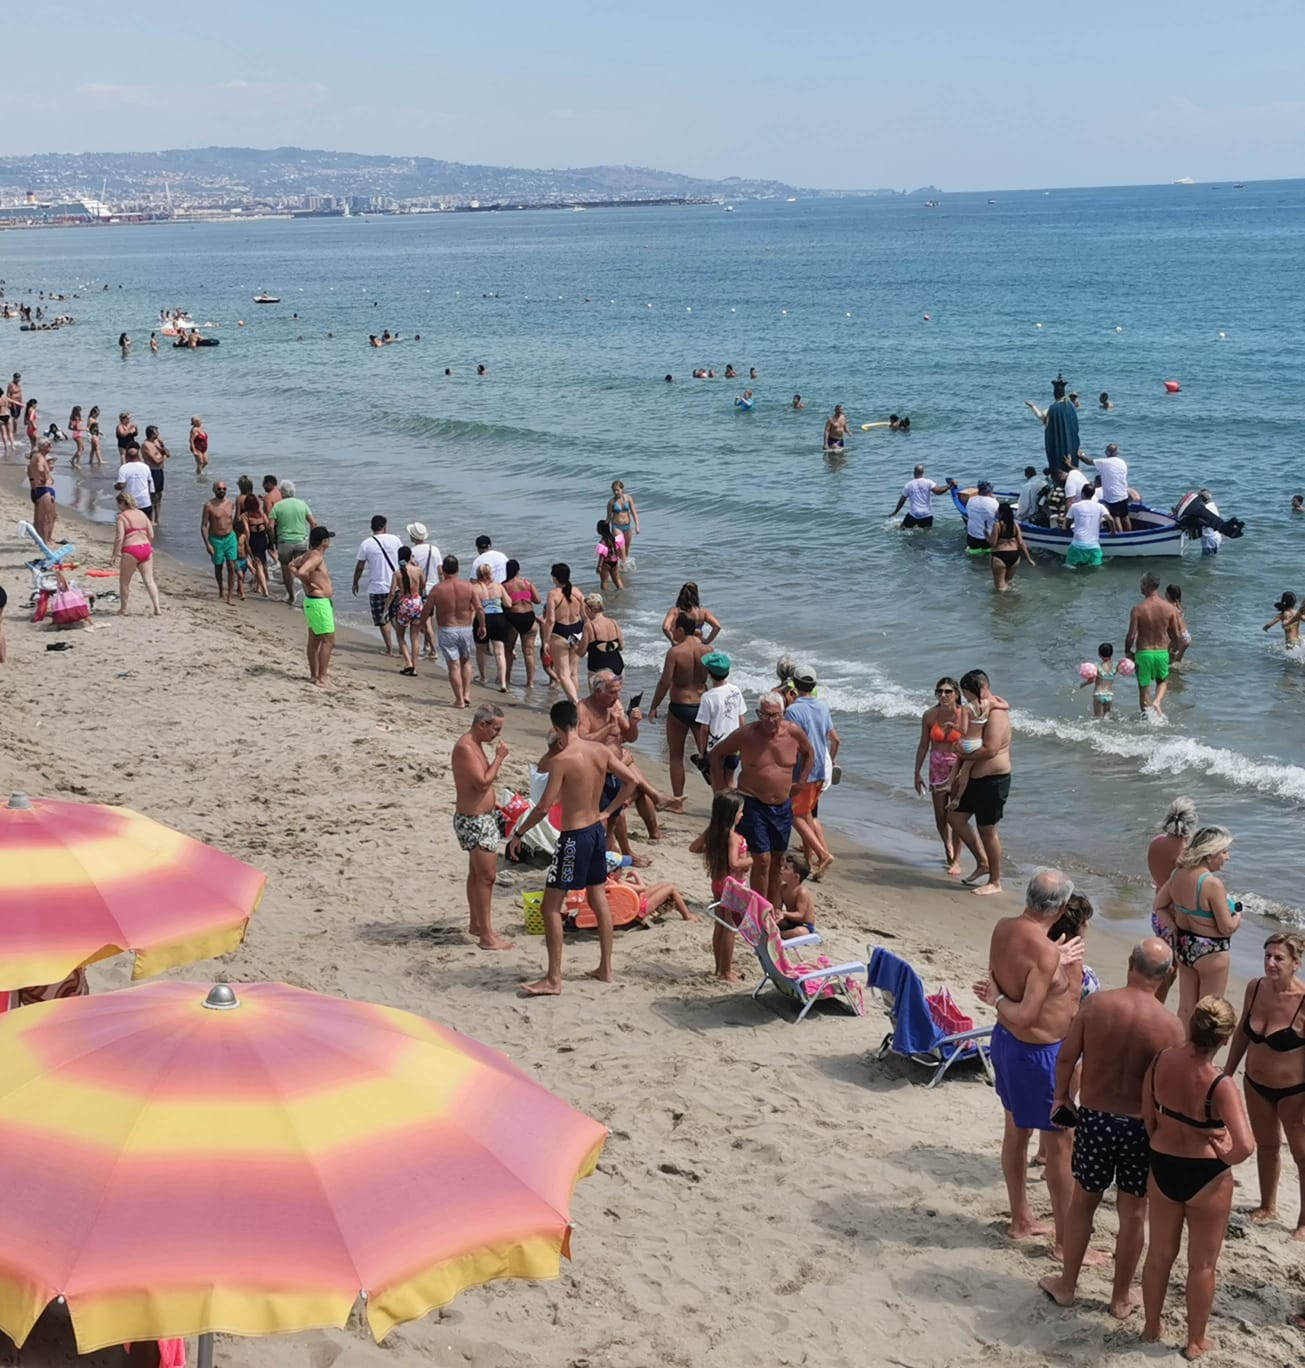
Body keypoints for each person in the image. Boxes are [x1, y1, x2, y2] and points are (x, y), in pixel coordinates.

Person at [1037, 939, 1185, 1316]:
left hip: (1096, 1119)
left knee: (1083, 1203)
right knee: (1134, 1213)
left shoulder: (1097, 1005)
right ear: (1168, 975)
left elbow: (1067, 1056)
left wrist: (1060, 1098)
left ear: (1129, 965)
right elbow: (1170, 1087)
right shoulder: (1170, 1026)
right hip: (1138, 1126)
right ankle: (1120, 1298)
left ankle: (1067, 1284)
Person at [973, 870, 1083, 1258]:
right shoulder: (1046, 950)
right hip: (1037, 1054)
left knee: (1015, 1131)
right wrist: (999, 1001)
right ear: (1063, 908)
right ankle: (1065, 1245)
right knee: (1060, 1147)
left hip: (1005, 1044)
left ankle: (1021, 1219)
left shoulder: (1005, 926)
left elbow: (1009, 973)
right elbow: (1023, 1014)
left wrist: (1053, 962)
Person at [1140, 997, 1254, 1361]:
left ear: (1190, 1023)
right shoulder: (1219, 1083)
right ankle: (1194, 1341)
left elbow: (1148, 1115)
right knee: (1202, 1264)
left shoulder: (1160, 1060)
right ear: (1224, 1039)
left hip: (1163, 1162)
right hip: (1205, 1175)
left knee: (1158, 1254)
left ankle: (1151, 1326)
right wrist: (1225, 1154)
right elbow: (1246, 1146)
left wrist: (1165, 1135)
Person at [508, 700, 639, 995]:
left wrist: (519, 832)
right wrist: (609, 812)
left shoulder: (562, 759)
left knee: (550, 907)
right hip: (595, 830)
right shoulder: (601, 751)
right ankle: (605, 968)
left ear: (556, 728)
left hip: (574, 838)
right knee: (597, 898)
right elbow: (630, 781)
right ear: (578, 724)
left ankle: (554, 979)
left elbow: (544, 807)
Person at [1224, 932, 1305, 1240]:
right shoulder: (1255, 987)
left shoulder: (1303, 1000)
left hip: (1294, 1091)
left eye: (1279, 958)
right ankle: (1267, 1205)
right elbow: (1244, 1032)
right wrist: (1228, 1072)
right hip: (1255, 1083)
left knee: (1302, 1156)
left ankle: (1303, 1222)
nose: (1271, 963)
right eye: (1267, 956)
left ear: (1296, 963)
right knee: (1267, 1145)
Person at [709, 692, 813, 910]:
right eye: (764, 715)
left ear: (782, 714)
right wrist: (721, 790)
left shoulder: (793, 732)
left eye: (774, 716)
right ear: (758, 714)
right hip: (753, 802)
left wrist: (802, 781)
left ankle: (773, 907)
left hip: (782, 806)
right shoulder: (747, 734)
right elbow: (716, 754)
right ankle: (757, 907)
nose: (769, 721)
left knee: (777, 861)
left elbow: (809, 753)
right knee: (762, 859)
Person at [1153, 825, 1240, 1024]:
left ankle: (1180, 1050)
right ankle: (1200, 1054)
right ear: (1210, 854)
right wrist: (1238, 916)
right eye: (1224, 852)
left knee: (1185, 1009)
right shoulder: (1211, 883)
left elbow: (1159, 906)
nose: (1228, 857)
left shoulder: (1177, 874)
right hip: (1211, 952)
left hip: (1184, 945)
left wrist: (1174, 927)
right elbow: (1226, 927)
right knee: (1209, 1013)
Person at [450, 704, 514, 950]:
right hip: (475, 821)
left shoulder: (474, 744)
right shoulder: (466, 747)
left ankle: (477, 924)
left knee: (477, 874)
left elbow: (476, 783)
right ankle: (486, 936)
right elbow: (481, 782)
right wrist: (499, 758)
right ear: (482, 724)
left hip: (479, 817)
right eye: (495, 728)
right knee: (487, 878)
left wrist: (494, 802)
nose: (497, 734)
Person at [948, 669, 1012, 895]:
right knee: (955, 818)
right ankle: (982, 862)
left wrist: (962, 755)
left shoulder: (996, 713)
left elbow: (990, 749)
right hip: (974, 777)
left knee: (987, 830)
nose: (967, 701)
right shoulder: (984, 708)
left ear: (982, 689)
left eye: (968, 695)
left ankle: (996, 881)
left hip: (993, 780)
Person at [691, 792, 753, 979]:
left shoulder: (715, 832)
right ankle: (725, 971)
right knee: (730, 928)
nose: (742, 815)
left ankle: (719, 968)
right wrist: (751, 860)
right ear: (732, 814)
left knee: (720, 925)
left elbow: (694, 848)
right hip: (732, 884)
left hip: (718, 882)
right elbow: (734, 863)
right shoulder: (733, 837)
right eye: (740, 812)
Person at [784, 665, 838, 878]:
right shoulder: (823, 707)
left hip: (802, 769)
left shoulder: (793, 711)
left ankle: (822, 854)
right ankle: (807, 862)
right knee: (806, 814)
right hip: (820, 768)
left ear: (795, 686)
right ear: (813, 685)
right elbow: (830, 735)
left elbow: (790, 741)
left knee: (793, 813)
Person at [649, 613, 710, 798]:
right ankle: (718, 798)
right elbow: (715, 679)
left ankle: (678, 800)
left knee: (676, 756)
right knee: (706, 755)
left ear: (681, 629)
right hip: (701, 706)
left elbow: (665, 682)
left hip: (679, 706)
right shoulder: (708, 650)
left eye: (674, 628)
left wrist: (654, 706)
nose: (672, 632)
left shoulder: (675, 652)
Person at [914, 677, 966, 873]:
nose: (943, 695)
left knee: (956, 815)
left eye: (948, 692)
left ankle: (956, 859)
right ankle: (947, 846)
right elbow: (923, 745)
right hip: (936, 768)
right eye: (940, 692)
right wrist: (916, 772)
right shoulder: (930, 715)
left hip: (957, 767)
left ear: (957, 694)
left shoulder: (964, 715)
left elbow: (970, 741)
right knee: (940, 815)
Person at [420, 555, 485, 709]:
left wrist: (423, 624)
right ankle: (466, 694)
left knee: (453, 666)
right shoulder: (469, 587)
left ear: (443, 570)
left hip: (447, 629)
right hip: (466, 628)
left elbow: (426, 610)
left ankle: (459, 700)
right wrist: (482, 626)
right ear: (458, 569)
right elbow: (479, 609)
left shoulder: (437, 589)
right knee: (466, 661)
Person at [1125, 573, 1183, 716]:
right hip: (1162, 652)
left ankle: (1147, 721)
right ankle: (1157, 702)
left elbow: (1131, 635)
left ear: (1148, 585)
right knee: (1162, 681)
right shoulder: (1170, 609)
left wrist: (1127, 651)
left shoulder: (1138, 609)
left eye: (1142, 583)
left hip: (1144, 653)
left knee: (1144, 689)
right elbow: (1177, 635)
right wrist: (1173, 652)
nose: (1140, 586)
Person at [291, 526, 336, 687]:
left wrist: (307, 582)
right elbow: (302, 571)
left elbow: (292, 565)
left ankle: (314, 675)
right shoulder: (316, 556)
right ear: (324, 542)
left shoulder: (309, 554)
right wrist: (308, 583)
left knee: (315, 639)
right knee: (328, 640)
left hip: (313, 602)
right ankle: (322, 677)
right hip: (318, 602)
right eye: (328, 538)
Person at [352, 515, 403, 654]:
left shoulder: (366, 543)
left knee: (383, 619)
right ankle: (402, 647)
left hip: (377, 587)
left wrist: (355, 582)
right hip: (396, 585)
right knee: (396, 617)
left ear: (371, 528)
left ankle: (389, 649)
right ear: (385, 527)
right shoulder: (395, 539)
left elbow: (360, 567)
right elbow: (403, 560)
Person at [694, 651, 745, 787]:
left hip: (716, 747)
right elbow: (741, 720)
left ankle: (721, 808)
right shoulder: (736, 690)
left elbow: (704, 729)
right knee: (730, 781)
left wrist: (701, 752)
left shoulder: (707, 697)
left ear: (709, 674)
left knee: (717, 784)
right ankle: (734, 808)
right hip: (734, 745)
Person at [109, 492, 161, 616]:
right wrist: (147, 545)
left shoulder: (122, 517)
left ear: (122, 503)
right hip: (146, 548)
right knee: (149, 580)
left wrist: (114, 555)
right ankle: (157, 608)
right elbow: (151, 534)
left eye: (118, 504)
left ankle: (124, 609)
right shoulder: (142, 514)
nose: (118, 507)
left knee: (124, 582)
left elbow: (120, 537)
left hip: (131, 549)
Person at [541, 563, 585, 704]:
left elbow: (550, 620)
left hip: (560, 632)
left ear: (554, 578)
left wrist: (545, 641)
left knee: (563, 674)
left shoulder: (553, 594)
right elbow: (584, 615)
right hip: (577, 631)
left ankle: (575, 703)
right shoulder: (577, 592)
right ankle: (576, 701)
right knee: (573, 672)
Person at [1025, 373, 1080, 477]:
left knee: (1059, 465)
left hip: (1058, 446)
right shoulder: (1070, 406)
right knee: (1070, 465)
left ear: (1055, 393)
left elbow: (1041, 417)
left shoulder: (1053, 408)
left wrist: (1033, 406)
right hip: (1071, 445)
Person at [270, 481, 316, 605]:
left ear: (281, 492)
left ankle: (291, 597)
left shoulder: (277, 506)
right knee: (303, 571)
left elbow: (270, 526)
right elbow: (314, 523)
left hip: (284, 542)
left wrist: (273, 540)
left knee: (286, 570)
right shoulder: (302, 504)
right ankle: (308, 598)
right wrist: (311, 542)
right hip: (301, 541)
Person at [384, 546, 427, 675]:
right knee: (415, 637)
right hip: (417, 603)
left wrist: (386, 608)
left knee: (400, 635)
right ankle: (415, 667)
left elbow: (392, 593)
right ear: (410, 557)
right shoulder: (418, 570)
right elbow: (423, 585)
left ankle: (408, 662)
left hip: (404, 604)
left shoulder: (397, 573)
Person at [471, 560, 512, 692]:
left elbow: (473, 607)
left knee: (480, 650)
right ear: (490, 574)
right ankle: (503, 683)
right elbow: (508, 604)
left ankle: (483, 677)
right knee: (499, 652)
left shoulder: (475, 588)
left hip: (482, 619)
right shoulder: (498, 587)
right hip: (498, 618)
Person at [502, 559, 542, 686]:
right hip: (529, 617)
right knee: (529, 652)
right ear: (518, 570)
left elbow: (503, 604)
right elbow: (538, 600)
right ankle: (530, 682)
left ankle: (507, 678)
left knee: (508, 651)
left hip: (513, 618)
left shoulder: (505, 586)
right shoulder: (527, 583)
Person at [201, 481, 241, 605]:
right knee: (218, 566)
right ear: (214, 490)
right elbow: (204, 526)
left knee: (231, 566)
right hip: (216, 539)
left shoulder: (231, 504)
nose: (222, 490)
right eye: (219, 489)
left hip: (230, 538)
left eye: (224, 488)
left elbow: (234, 521)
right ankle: (220, 590)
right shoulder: (209, 505)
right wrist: (207, 543)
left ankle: (229, 595)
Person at [1079, 442, 1131, 530]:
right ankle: (1129, 534)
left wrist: (1081, 455)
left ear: (1107, 452)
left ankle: (1120, 537)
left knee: (1115, 517)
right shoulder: (1122, 462)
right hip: (1123, 494)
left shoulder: (1104, 462)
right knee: (1125, 517)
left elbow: (1088, 461)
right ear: (1117, 452)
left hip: (1112, 496)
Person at [236, 477, 270, 597]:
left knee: (258, 565)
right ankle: (258, 587)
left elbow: (247, 530)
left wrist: (247, 544)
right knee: (262, 563)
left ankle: (264, 589)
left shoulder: (246, 515)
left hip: (254, 541)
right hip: (263, 540)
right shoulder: (261, 513)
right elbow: (268, 526)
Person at [987, 501, 1034, 589]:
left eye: (998, 511)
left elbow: (993, 543)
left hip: (1000, 556)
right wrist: (1029, 559)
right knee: (1009, 582)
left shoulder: (997, 525)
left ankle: (1002, 602)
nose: (996, 512)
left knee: (1000, 586)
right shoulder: (1015, 526)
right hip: (1015, 555)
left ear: (1001, 513)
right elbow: (1021, 543)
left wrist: (986, 535)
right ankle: (1012, 600)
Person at [1065, 489, 1116, 568]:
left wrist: (1066, 528)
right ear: (1092, 494)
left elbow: (1068, 522)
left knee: (1069, 567)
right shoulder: (1100, 506)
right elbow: (1110, 520)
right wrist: (1113, 532)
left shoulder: (1074, 506)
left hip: (1077, 546)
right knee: (1095, 569)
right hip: (1094, 547)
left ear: (1082, 494)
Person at [580, 592, 624, 680]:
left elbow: (581, 652)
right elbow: (621, 647)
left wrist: (573, 645)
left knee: (597, 694)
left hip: (598, 668)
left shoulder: (589, 626)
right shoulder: (613, 622)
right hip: (618, 666)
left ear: (589, 609)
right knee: (616, 693)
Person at [776, 851, 816, 938]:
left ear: (796, 877)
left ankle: (780, 935)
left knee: (799, 932)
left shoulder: (801, 892)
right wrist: (777, 914)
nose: (781, 868)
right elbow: (778, 907)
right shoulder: (782, 888)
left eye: (786, 868)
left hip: (804, 924)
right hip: (790, 921)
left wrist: (784, 914)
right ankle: (779, 933)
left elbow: (800, 915)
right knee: (772, 922)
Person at [26, 440, 57, 545]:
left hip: (43, 489)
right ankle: (44, 541)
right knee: (45, 518)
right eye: (49, 444)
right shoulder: (39, 456)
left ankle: (46, 539)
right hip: (43, 489)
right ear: (42, 446)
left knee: (50, 517)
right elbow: (39, 468)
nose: (51, 446)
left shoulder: (40, 457)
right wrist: (44, 477)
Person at [113, 445, 154, 524]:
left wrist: (115, 485)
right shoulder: (145, 467)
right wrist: (151, 497)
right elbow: (150, 484)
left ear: (127, 456)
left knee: (131, 525)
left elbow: (121, 485)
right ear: (138, 455)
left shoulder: (123, 468)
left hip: (130, 502)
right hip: (145, 501)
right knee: (147, 524)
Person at [1079, 641, 1118, 719]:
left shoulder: (1096, 666)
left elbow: (1091, 680)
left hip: (1099, 694)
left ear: (1099, 654)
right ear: (1112, 654)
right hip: (1109, 695)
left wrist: (1083, 684)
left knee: (1097, 718)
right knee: (1107, 717)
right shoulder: (1115, 666)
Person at [957, 481, 999, 552]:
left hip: (972, 539)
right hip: (987, 540)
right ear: (990, 491)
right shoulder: (994, 502)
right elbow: (998, 518)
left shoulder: (971, 500)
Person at [607, 480, 640, 564]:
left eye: (617, 490)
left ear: (622, 489)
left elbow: (634, 512)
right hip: (616, 528)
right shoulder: (611, 502)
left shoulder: (628, 498)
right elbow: (608, 517)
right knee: (621, 548)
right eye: (614, 490)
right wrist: (605, 531)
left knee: (626, 549)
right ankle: (625, 568)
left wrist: (637, 525)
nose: (616, 492)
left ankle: (619, 566)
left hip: (627, 527)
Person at [594, 520, 624, 592]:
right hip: (615, 561)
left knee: (604, 581)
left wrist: (599, 566)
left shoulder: (603, 541)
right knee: (617, 580)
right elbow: (617, 550)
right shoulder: (613, 538)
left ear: (600, 530)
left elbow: (602, 555)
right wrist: (619, 558)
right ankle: (622, 591)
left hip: (606, 563)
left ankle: (605, 596)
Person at [1165, 584, 1191, 663]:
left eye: (1166, 592)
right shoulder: (1178, 606)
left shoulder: (1169, 607)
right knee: (1176, 659)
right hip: (1186, 636)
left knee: (1167, 655)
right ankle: (1177, 672)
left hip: (1179, 637)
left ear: (1168, 595)